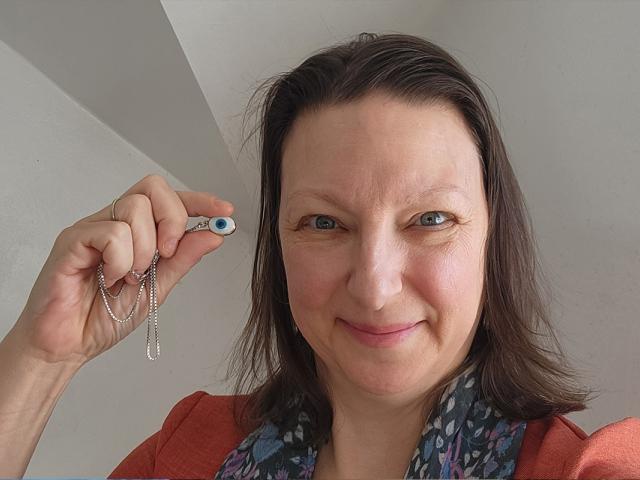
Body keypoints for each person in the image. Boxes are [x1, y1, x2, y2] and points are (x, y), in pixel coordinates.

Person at [1, 32, 638, 479]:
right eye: (325, 222)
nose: (376, 285)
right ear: (277, 246)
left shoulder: (583, 471)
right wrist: (42, 354)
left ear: (490, 239)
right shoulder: (189, 448)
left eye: (431, 219)